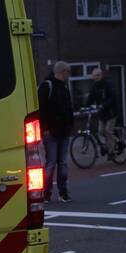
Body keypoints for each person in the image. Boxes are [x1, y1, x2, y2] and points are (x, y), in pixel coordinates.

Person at [39, 61, 74, 202]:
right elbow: (41, 109)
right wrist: (45, 129)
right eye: (68, 72)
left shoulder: (64, 87)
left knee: (62, 163)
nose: (69, 75)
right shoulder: (47, 86)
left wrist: (70, 124)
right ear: (62, 72)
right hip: (51, 132)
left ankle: (63, 192)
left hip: (64, 131)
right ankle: (46, 193)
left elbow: (69, 107)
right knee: (52, 163)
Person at [88, 67, 119, 157]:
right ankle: (115, 139)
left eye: (98, 75)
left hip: (111, 112)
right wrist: (84, 106)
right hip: (102, 113)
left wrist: (103, 105)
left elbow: (112, 97)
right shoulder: (94, 86)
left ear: (101, 75)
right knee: (101, 131)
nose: (96, 77)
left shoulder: (108, 83)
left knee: (108, 131)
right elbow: (90, 97)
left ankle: (112, 152)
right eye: (94, 76)